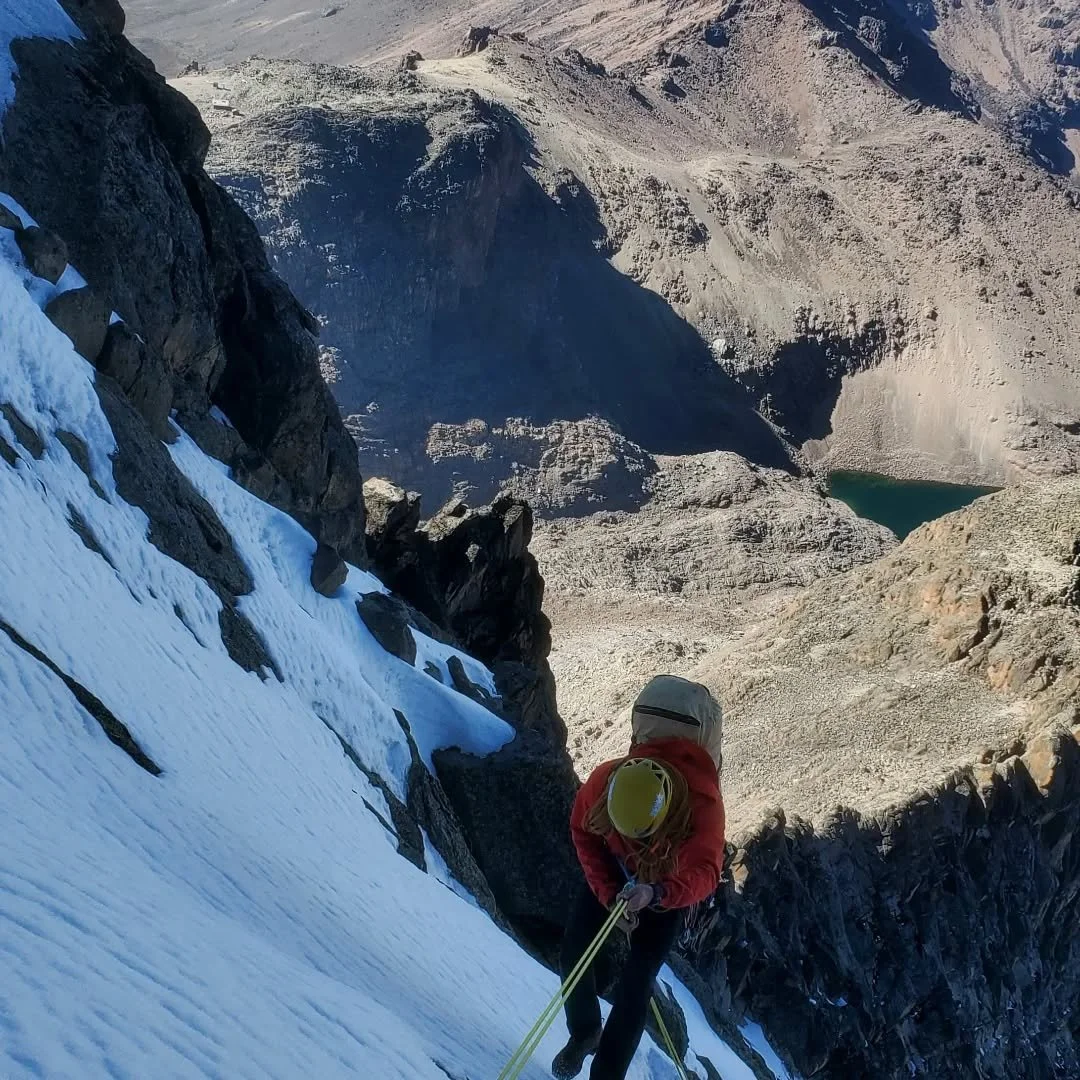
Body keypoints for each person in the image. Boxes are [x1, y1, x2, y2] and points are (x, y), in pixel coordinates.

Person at [553, 676, 726, 1080]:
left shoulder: (703, 809)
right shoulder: (604, 782)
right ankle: (585, 1032)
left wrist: (658, 892)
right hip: (618, 874)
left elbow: (706, 872)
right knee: (574, 952)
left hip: (665, 887)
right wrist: (611, 892)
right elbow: (583, 831)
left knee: (636, 982)